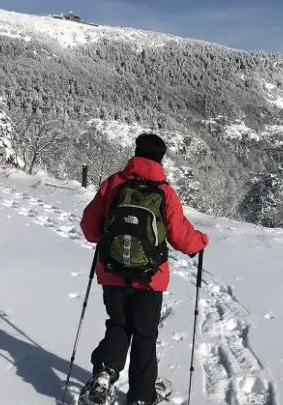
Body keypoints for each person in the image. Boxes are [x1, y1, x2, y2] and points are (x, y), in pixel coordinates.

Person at [79, 133, 209, 405]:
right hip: (150, 279)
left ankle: (104, 372)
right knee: (145, 334)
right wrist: (201, 241)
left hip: (112, 271)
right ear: (161, 159)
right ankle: (141, 396)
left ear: (135, 152)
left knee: (118, 324)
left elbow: (89, 228)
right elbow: (181, 236)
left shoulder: (114, 184)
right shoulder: (164, 192)